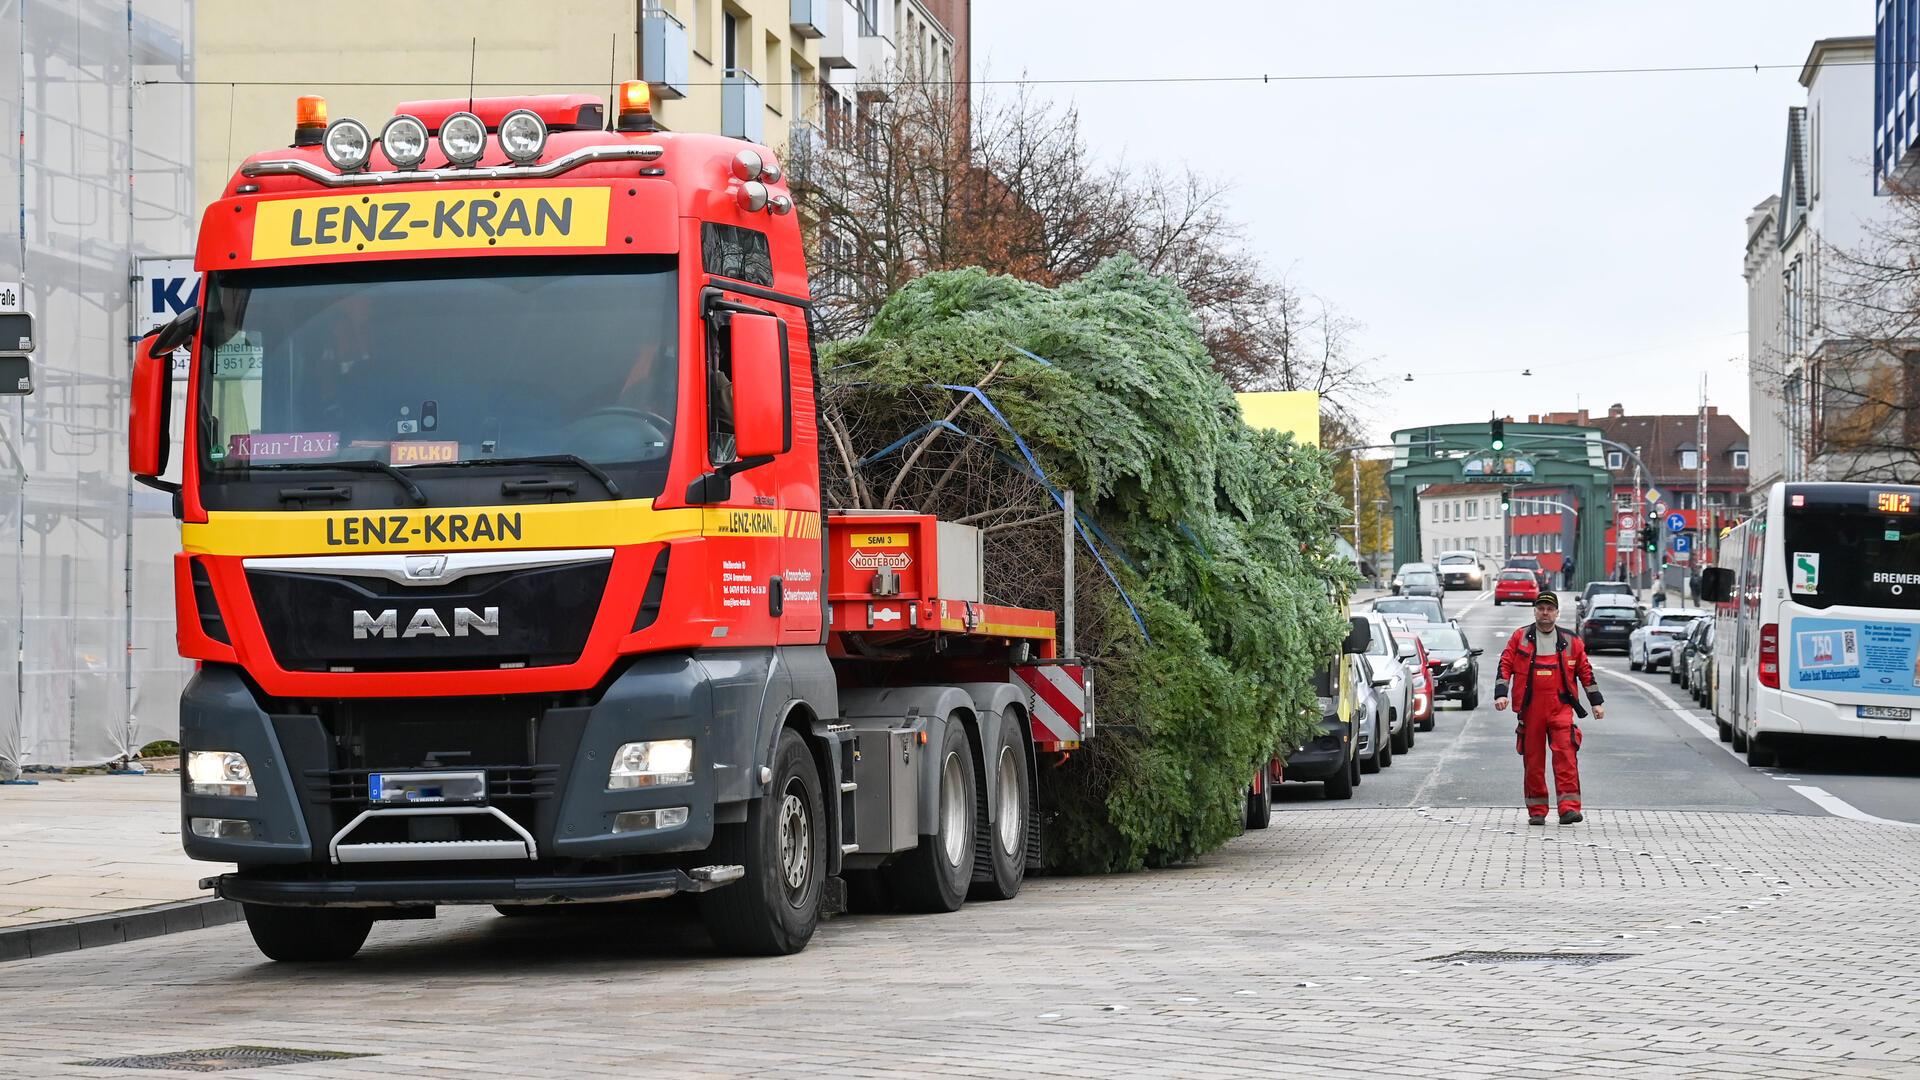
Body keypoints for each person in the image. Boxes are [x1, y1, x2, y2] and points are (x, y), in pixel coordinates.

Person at [1493, 591, 1604, 825]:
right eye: (1541, 608)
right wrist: (1501, 694)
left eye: (1549, 609)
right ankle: (1537, 810)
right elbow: (1505, 665)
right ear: (1535, 611)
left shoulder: (1571, 641)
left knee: (1566, 757)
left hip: (1561, 707)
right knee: (1533, 761)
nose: (1545, 613)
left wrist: (1596, 702)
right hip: (1530, 708)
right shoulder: (1519, 637)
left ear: (1556, 612)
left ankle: (1569, 808)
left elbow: (1585, 672)